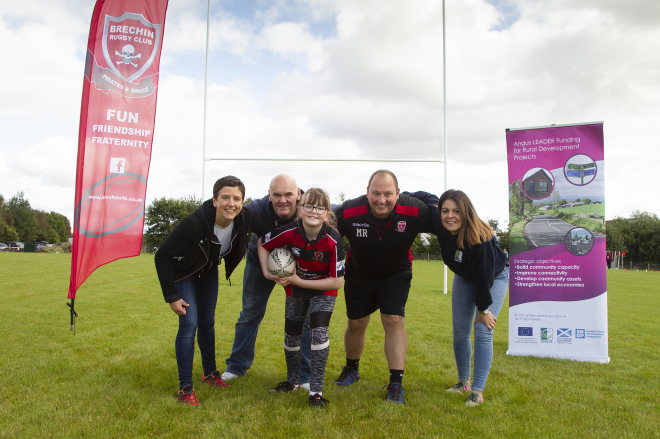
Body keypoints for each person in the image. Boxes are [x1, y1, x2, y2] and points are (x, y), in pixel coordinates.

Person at [154, 176, 270, 405]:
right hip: (183, 271)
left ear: (242, 201)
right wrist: (172, 296)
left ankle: (210, 374)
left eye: (237, 198)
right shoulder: (195, 223)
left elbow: (270, 230)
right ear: (215, 200)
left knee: (207, 322)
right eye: (225, 197)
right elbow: (162, 256)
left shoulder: (245, 218)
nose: (231, 203)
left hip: (207, 270)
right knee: (190, 323)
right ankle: (185, 389)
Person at [333, 170, 434, 404]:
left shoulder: (415, 209)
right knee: (356, 323)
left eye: (388, 193)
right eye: (375, 193)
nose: (381, 199)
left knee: (394, 320)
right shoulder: (349, 211)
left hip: (396, 273)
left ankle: (396, 383)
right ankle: (351, 369)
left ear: (398, 194)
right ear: (367, 192)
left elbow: (448, 222)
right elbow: (325, 229)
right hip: (359, 274)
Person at [222, 175, 313, 388]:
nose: (283, 200)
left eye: (289, 194)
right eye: (277, 195)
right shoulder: (255, 209)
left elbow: (335, 213)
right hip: (259, 261)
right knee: (250, 313)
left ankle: (305, 374)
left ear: (298, 194)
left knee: (304, 319)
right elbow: (223, 215)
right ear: (269, 195)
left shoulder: (310, 206)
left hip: (299, 264)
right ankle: (236, 366)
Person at [258, 188, 345, 408]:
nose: (313, 211)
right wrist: (268, 273)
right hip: (296, 289)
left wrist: (299, 281)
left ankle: (315, 392)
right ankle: (292, 381)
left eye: (320, 207)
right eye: (308, 206)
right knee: (292, 337)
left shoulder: (333, 239)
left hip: (323, 289)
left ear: (327, 214)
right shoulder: (290, 231)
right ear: (300, 210)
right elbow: (262, 242)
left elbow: (337, 282)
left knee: (318, 334)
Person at [434, 189, 508, 407]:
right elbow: (427, 199)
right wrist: (396, 196)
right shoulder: (441, 226)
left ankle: (477, 391)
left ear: (466, 212)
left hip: (494, 276)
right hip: (465, 276)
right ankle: (463, 383)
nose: (450, 215)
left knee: (483, 330)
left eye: (456, 211)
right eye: (445, 210)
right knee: (459, 331)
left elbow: (483, 279)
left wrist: (483, 311)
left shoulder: (481, 239)